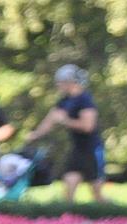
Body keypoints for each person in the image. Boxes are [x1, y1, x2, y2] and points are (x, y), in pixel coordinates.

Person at [24, 64, 104, 202]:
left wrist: (65, 121)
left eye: (60, 82)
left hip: (91, 149)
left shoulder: (84, 100)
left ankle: (111, 210)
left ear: (70, 82)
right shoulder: (65, 100)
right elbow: (51, 118)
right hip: (77, 148)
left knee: (96, 191)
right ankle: (69, 211)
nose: (58, 85)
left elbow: (88, 126)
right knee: (69, 183)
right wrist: (36, 134)